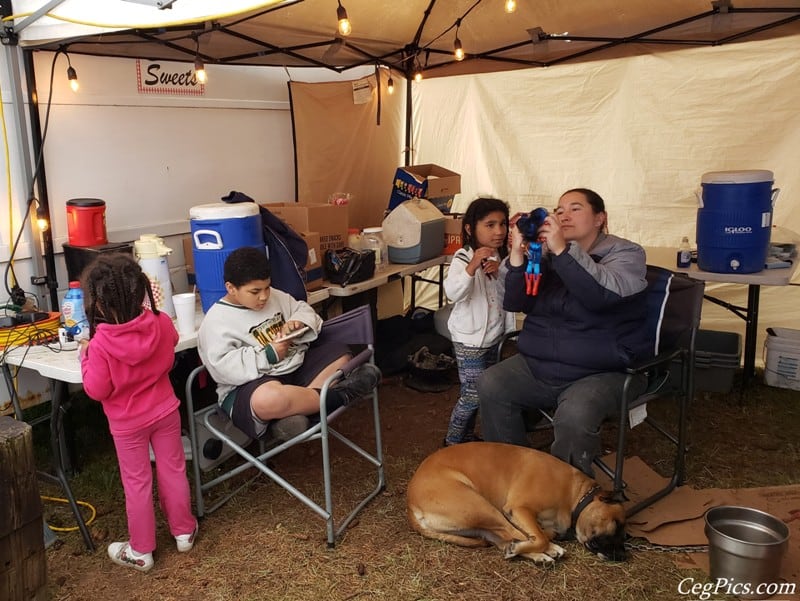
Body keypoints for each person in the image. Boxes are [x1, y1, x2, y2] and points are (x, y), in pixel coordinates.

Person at [477, 188, 651, 476]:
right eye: (558, 210)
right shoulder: (543, 254)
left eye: (575, 208)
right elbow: (516, 302)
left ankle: (569, 498)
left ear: (600, 218)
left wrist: (563, 251)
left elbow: (601, 295)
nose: (563, 215)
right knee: (492, 383)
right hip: (541, 364)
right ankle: (514, 476)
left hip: (603, 371)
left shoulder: (626, 253)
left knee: (574, 414)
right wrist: (518, 257)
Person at [79, 253, 197, 573]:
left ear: (99, 304)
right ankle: (184, 531)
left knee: (137, 482)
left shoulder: (100, 343)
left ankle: (142, 549)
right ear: (140, 291)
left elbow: (96, 390)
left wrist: (85, 357)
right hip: (165, 410)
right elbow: (171, 343)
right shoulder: (159, 321)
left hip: (127, 423)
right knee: (172, 470)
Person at [197, 246, 380, 442]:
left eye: (267, 287)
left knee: (341, 354)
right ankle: (340, 395)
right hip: (252, 385)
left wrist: (298, 322)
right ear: (231, 288)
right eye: (255, 291)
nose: (264, 296)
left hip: (294, 368)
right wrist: (268, 355)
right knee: (269, 399)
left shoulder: (274, 296)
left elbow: (304, 310)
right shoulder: (216, 321)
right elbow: (221, 368)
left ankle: (292, 415)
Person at [443, 197, 516, 446]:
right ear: (469, 228)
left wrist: (500, 274)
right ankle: (452, 443)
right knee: (473, 395)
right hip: (470, 340)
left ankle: (464, 439)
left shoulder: (503, 259)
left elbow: (509, 299)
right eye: (490, 224)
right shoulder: (463, 258)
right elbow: (453, 293)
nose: (499, 231)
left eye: (503, 224)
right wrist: (472, 267)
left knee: (485, 392)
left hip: (494, 338)